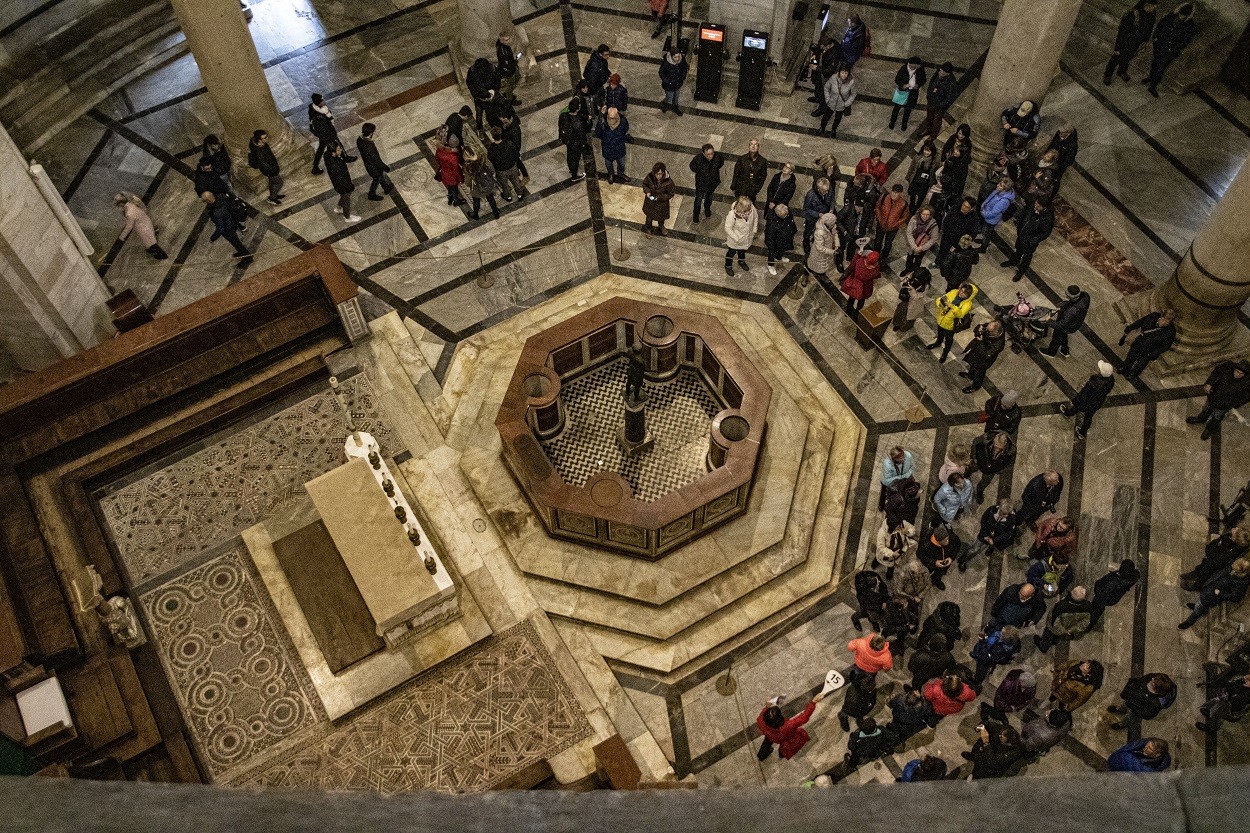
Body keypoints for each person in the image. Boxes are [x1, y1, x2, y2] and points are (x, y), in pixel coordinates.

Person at [1180, 558, 1250, 630]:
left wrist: (1220, 593)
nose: (1233, 562)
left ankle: (1189, 622)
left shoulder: (1239, 583)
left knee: (1198, 609)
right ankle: (1202, 609)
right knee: (1201, 603)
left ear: (1239, 569)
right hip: (1209, 588)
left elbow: (1236, 597)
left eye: (1236, 562)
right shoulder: (1231, 568)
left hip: (1212, 596)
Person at [1188, 361, 1250, 441]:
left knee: (1216, 417)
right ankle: (1201, 419)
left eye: (1241, 373)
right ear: (1235, 368)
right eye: (1237, 371)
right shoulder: (1227, 366)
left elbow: (1246, 397)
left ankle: (1209, 429)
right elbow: (1216, 372)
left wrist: (1232, 404)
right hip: (1214, 395)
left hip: (1225, 404)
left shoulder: (1248, 382)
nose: (1237, 375)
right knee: (1206, 408)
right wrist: (1209, 383)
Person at [756, 692, 827, 760]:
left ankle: (761, 755)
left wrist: (767, 706)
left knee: (766, 743)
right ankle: (781, 754)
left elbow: (764, 712)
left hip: (770, 735)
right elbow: (803, 717)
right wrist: (813, 702)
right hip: (783, 738)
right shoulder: (787, 726)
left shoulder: (760, 720)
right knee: (786, 747)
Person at [1146, 3, 1196, 97]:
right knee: (1155, 62)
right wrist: (1155, 37)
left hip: (1170, 51)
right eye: (1180, 14)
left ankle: (1152, 86)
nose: (1181, 17)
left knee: (1161, 68)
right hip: (1160, 45)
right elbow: (1160, 24)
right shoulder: (1171, 16)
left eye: (1183, 15)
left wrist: (1173, 49)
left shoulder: (1190, 26)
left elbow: (1185, 42)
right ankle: (1150, 77)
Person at [1105, 2, 1159, 84]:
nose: (1155, 9)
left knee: (1128, 58)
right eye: (1153, 7)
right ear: (1148, 5)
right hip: (1125, 42)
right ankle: (1108, 75)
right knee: (1116, 59)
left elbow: (1149, 30)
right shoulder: (1132, 15)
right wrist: (1117, 48)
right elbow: (1122, 32)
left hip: (1136, 43)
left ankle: (1121, 71)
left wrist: (1145, 41)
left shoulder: (1151, 15)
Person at [959, 499, 1020, 571]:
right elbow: (983, 520)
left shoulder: (1012, 519)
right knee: (974, 549)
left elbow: (1008, 534)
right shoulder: (992, 510)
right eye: (1004, 513)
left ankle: (990, 549)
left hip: (995, 539)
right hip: (984, 534)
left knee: (984, 547)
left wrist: (994, 540)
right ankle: (962, 560)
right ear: (1000, 508)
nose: (1006, 516)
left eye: (1008, 514)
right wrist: (985, 535)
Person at [1181, 527, 1249, 591]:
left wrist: (1209, 555)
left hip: (1211, 564)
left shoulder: (1229, 550)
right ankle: (1192, 575)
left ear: (1235, 538)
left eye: (1236, 530)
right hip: (1210, 559)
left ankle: (1194, 587)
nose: (1236, 528)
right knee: (1199, 568)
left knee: (1203, 576)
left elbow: (1217, 560)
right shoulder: (1229, 536)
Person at [1061, 360, 1116, 439]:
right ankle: (1082, 433)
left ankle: (1067, 413)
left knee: (1077, 407)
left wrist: (1075, 401)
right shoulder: (1111, 381)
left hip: (1086, 402)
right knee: (1088, 417)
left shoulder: (1094, 383)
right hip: (1097, 403)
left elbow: (1083, 394)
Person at [1003, 199, 1055, 282]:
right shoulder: (1032, 205)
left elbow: (1046, 233)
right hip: (1021, 235)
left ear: (1044, 208)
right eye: (1036, 203)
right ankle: (1013, 261)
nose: (1035, 205)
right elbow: (1023, 214)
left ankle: (1020, 272)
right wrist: (1019, 226)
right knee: (1018, 250)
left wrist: (1034, 240)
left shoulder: (1048, 218)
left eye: (1038, 205)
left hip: (1030, 241)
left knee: (1026, 257)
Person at [927, 282, 977, 363]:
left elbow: (960, 314)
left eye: (964, 293)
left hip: (951, 325)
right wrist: (939, 302)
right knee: (940, 333)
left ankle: (945, 352)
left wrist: (952, 306)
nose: (961, 293)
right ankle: (938, 343)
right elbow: (942, 299)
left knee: (948, 339)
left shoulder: (968, 304)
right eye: (961, 290)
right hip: (941, 319)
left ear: (968, 295)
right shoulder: (954, 292)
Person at [1119, 309, 1176, 378]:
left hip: (1150, 349)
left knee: (1141, 363)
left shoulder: (1171, 331)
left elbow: (1166, 346)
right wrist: (1128, 329)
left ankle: (1134, 373)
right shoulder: (1153, 316)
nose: (1164, 322)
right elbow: (1140, 322)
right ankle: (1125, 367)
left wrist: (1152, 354)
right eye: (1164, 319)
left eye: (1167, 321)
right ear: (1161, 316)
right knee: (1131, 354)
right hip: (1140, 340)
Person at [1108, 672, 1177, 729]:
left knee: (1130, 717)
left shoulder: (1155, 704)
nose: (1152, 678)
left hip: (1136, 710)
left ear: (1154, 687)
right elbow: (1136, 681)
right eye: (1154, 678)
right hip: (1132, 701)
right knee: (1125, 705)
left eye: (1153, 680)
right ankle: (1120, 709)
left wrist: (1134, 709)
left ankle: (1123, 723)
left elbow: (1147, 715)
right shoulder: (1150, 678)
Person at [1034, 586, 1092, 652]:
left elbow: (1053, 621)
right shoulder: (1088, 607)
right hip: (1068, 630)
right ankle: (1055, 641)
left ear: (1072, 593)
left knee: (1048, 637)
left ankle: (1043, 647)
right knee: (1058, 637)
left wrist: (1063, 631)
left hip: (1055, 629)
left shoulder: (1062, 606)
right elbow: (1085, 623)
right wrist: (1070, 630)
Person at [200, 191, 251, 264]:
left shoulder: (216, 213)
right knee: (236, 242)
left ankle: (248, 257)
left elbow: (220, 229)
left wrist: (213, 238)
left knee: (236, 243)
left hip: (228, 229)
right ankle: (242, 252)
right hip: (233, 221)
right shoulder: (221, 197)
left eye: (205, 201)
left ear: (208, 200)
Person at [1040, 284, 1090, 357]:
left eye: (1067, 295)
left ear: (1071, 296)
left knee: (1057, 337)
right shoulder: (1085, 295)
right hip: (1074, 322)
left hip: (1068, 325)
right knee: (1063, 335)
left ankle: (1051, 352)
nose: (1066, 295)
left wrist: (1047, 321)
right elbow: (1071, 303)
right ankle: (1064, 350)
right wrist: (1061, 308)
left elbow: (1060, 325)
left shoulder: (1071, 311)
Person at [113, 192, 167, 260]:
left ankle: (163, 255)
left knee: (151, 243)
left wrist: (122, 236)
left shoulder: (129, 214)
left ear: (121, 204)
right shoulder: (132, 204)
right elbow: (142, 206)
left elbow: (129, 226)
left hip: (143, 229)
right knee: (149, 240)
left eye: (118, 206)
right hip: (146, 222)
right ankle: (150, 249)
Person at [959, 320, 1005, 394]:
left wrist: (980, 342)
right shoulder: (989, 327)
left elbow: (986, 355)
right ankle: (970, 375)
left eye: (988, 331)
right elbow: (979, 327)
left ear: (995, 333)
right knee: (972, 365)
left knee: (979, 373)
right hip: (976, 352)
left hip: (984, 361)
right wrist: (978, 329)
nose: (986, 330)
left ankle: (976, 386)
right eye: (987, 328)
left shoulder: (999, 344)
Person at [1090, 559, 1140, 626]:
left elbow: (1099, 586)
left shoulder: (1113, 581)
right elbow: (1137, 574)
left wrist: (1097, 588)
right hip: (1114, 598)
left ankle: (1091, 622)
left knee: (1096, 609)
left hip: (1104, 599)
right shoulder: (1134, 576)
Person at [936, 197, 980, 271]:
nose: (964, 208)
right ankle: (938, 262)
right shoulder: (955, 208)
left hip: (957, 242)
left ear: (971, 208)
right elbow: (947, 219)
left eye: (967, 207)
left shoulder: (974, 218)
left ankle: (945, 267)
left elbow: (973, 233)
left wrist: (961, 243)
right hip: (947, 236)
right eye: (963, 205)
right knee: (942, 250)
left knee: (950, 255)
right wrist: (944, 230)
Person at [970, 431, 1015, 504]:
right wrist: (974, 457)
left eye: (1000, 449)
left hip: (991, 470)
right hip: (980, 461)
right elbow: (975, 443)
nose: (996, 450)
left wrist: (1000, 470)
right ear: (993, 440)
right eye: (995, 447)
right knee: (970, 469)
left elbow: (1010, 464)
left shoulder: (1011, 450)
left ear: (1005, 444)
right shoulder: (985, 439)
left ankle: (979, 491)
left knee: (984, 482)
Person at [354, 122, 394, 201]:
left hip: (368, 164)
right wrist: (385, 167)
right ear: (371, 133)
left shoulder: (359, 139)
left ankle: (386, 188)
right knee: (376, 179)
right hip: (373, 167)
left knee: (379, 176)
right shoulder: (369, 146)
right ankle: (371, 194)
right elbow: (376, 160)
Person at [920, 62, 957, 145]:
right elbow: (931, 84)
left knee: (937, 121)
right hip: (931, 101)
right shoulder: (938, 73)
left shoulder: (951, 83)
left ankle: (932, 136)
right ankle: (928, 130)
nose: (940, 72)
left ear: (948, 73)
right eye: (940, 70)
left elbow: (950, 99)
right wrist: (929, 95)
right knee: (929, 117)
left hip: (940, 106)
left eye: (942, 71)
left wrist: (940, 105)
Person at [486, 126, 526, 203]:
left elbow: (491, 159)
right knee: (516, 180)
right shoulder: (509, 143)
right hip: (512, 166)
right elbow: (516, 154)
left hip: (501, 170)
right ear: (501, 134)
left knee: (504, 184)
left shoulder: (491, 149)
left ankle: (508, 196)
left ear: (492, 136)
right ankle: (520, 194)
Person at [461, 146, 501, 221]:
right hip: (487, 186)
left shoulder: (468, 168)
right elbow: (491, 170)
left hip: (476, 189)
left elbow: (468, 182)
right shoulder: (483, 161)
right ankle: (496, 213)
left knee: (476, 201)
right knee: (491, 199)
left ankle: (475, 215)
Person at [873, 184, 911, 262]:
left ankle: (884, 258)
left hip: (893, 228)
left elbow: (905, 216)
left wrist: (895, 224)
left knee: (888, 244)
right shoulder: (884, 197)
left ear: (900, 194)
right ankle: (875, 256)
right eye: (893, 191)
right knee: (877, 241)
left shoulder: (903, 204)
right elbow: (877, 207)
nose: (894, 194)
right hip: (881, 224)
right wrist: (879, 218)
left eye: (896, 192)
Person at [323, 142, 359, 223]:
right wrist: (350, 187)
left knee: (343, 197)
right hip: (343, 186)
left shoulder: (327, 155)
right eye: (338, 150)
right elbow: (342, 179)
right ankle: (347, 217)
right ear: (333, 153)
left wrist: (339, 156)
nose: (341, 150)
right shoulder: (336, 165)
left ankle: (338, 208)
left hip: (338, 184)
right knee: (346, 200)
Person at [246, 130, 284, 206]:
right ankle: (272, 198)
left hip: (270, 168)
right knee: (279, 182)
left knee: (272, 182)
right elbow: (264, 163)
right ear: (259, 140)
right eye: (265, 138)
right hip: (270, 170)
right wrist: (274, 170)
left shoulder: (261, 144)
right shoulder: (259, 151)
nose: (267, 139)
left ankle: (273, 195)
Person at [723, 196, 759, 277]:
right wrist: (736, 238)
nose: (749, 211)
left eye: (749, 208)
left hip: (746, 238)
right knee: (731, 253)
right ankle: (728, 266)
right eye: (746, 209)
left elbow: (756, 217)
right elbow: (728, 228)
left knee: (742, 251)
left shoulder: (751, 208)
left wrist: (754, 229)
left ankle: (741, 262)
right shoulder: (732, 215)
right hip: (735, 240)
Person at [917, 523, 960, 590]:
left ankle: (937, 580)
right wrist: (934, 562)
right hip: (932, 565)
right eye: (945, 541)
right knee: (931, 574)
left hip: (945, 563)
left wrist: (951, 558)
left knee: (940, 573)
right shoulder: (926, 544)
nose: (948, 541)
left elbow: (957, 545)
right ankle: (930, 581)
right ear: (938, 541)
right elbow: (920, 554)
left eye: (947, 539)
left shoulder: (951, 536)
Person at [888, 57, 926, 131]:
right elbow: (897, 79)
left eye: (913, 66)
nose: (911, 67)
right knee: (896, 108)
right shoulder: (904, 68)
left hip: (912, 93)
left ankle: (904, 123)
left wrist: (917, 85)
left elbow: (924, 80)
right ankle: (892, 122)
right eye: (910, 65)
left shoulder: (920, 70)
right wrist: (903, 85)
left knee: (908, 109)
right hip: (902, 92)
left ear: (917, 65)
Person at [689, 144, 725, 223]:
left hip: (712, 184)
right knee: (698, 200)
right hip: (701, 184)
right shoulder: (698, 159)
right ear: (703, 153)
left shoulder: (718, 157)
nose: (711, 156)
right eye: (708, 154)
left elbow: (721, 163)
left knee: (709, 198)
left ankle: (707, 209)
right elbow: (692, 167)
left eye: (712, 153)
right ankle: (696, 214)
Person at [978, 177, 1015, 253]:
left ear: (1005, 189)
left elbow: (994, 212)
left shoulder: (1004, 201)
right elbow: (990, 196)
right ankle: (984, 240)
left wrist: (983, 213)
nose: (997, 185)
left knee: (986, 232)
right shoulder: (999, 191)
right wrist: (983, 204)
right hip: (986, 212)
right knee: (986, 231)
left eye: (1000, 185)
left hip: (991, 219)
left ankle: (984, 246)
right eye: (999, 183)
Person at [595, 107, 630, 184]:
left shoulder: (623, 121)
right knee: (608, 164)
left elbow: (626, 129)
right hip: (608, 148)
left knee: (621, 164)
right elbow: (598, 133)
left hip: (619, 148)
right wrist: (600, 119)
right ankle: (611, 174)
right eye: (610, 118)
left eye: (613, 118)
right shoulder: (603, 123)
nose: (611, 120)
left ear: (617, 115)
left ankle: (620, 174)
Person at [802, 177, 835, 256]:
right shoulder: (811, 195)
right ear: (819, 188)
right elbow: (805, 210)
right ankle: (806, 243)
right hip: (812, 218)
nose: (826, 192)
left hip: (824, 217)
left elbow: (832, 200)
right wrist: (818, 214)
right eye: (824, 191)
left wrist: (831, 209)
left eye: (827, 190)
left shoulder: (829, 189)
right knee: (808, 232)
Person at [840, 249, 880, 315]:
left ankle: (848, 311)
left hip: (855, 285)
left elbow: (852, 264)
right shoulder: (875, 270)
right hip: (865, 288)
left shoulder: (860, 262)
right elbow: (876, 276)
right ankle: (857, 313)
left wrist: (858, 254)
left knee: (851, 298)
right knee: (861, 300)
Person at [558, 97, 590, 182]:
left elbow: (560, 127)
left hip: (567, 141)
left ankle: (570, 169)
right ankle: (574, 176)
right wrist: (583, 144)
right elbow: (582, 136)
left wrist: (561, 137)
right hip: (576, 144)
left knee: (569, 154)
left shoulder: (563, 116)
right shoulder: (579, 123)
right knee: (576, 159)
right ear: (577, 109)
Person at [641, 162, 675, 236]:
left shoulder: (668, 181)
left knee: (661, 217)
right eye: (656, 174)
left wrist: (659, 198)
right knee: (649, 217)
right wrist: (648, 192)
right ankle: (648, 228)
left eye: (660, 174)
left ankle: (661, 226)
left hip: (662, 203)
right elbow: (645, 184)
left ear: (663, 172)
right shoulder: (650, 177)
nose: (658, 176)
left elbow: (670, 193)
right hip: (650, 202)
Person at [820, 67, 856, 138]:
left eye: (846, 73)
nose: (844, 75)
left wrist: (846, 103)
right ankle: (822, 128)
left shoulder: (851, 82)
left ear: (848, 74)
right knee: (826, 117)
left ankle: (833, 130)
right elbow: (826, 88)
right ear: (839, 72)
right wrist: (827, 99)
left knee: (837, 119)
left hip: (841, 105)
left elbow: (853, 94)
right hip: (831, 103)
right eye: (842, 72)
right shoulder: (834, 78)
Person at [892, 266, 930, 333]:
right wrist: (906, 280)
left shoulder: (925, 286)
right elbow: (901, 284)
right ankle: (897, 324)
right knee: (899, 313)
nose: (915, 279)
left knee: (909, 318)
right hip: (904, 299)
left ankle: (904, 328)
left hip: (913, 304)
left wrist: (911, 289)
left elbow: (916, 297)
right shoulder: (911, 275)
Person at [852, 568, 890, 633]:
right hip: (866, 603)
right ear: (872, 588)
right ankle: (855, 619)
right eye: (878, 583)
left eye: (878, 580)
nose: (879, 582)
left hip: (876, 600)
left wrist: (885, 600)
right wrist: (878, 608)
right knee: (864, 613)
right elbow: (871, 604)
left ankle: (873, 621)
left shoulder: (874, 577)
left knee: (875, 614)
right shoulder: (864, 592)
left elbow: (883, 587)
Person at [731, 139, 768, 203]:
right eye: (751, 144)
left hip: (752, 191)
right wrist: (733, 187)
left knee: (749, 210)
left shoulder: (762, 161)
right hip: (741, 189)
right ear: (749, 146)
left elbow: (763, 176)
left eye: (755, 144)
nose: (753, 146)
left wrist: (757, 189)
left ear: (758, 147)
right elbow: (736, 173)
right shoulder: (742, 159)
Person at [1045, 122, 1080, 192]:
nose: (1060, 132)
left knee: (1054, 180)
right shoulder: (1059, 133)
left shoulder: (1072, 145)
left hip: (1058, 166)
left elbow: (1069, 161)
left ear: (1068, 133)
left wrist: (1058, 166)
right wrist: (1046, 153)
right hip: (1050, 159)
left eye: (1063, 131)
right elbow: (1052, 143)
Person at [466, 58, 499, 127]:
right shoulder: (472, 71)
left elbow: (497, 81)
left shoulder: (492, 69)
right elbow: (469, 84)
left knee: (490, 113)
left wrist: (494, 92)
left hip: (491, 96)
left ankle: (493, 126)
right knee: (479, 114)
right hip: (479, 98)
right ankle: (480, 128)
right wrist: (475, 95)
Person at [764, 204, 796, 277]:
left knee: (782, 249)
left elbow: (791, 222)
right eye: (784, 215)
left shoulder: (786, 212)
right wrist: (771, 247)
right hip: (775, 241)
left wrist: (793, 230)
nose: (786, 215)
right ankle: (770, 265)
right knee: (772, 253)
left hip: (784, 239)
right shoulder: (772, 222)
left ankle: (779, 257)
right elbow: (769, 237)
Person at [434, 135, 465, 206]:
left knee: (449, 186)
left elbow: (437, 159)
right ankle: (456, 201)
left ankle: (450, 198)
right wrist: (461, 179)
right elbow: (456, 171)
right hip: (452, 176)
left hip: (444, 173)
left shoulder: (439, 150)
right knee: (455, 188)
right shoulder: (453, 157)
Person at [806, 212, 840, 278]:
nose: (834, 225)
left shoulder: (832, 226)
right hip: (819, 253)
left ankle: (821, 275)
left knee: (823, 267)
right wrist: (832, 252)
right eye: (833, 224)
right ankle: (806, 274)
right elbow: (820, 248)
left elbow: (835, 234)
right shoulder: (819, 232)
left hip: (828, 250)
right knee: (813, 265)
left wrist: (837, 245)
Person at [906, 144, 938, 213]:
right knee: (912, 193)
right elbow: (911, 167)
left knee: (921, 196)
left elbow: (934, 173)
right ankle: (912, 204)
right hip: (915, 178)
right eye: (925, 150)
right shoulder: (917, 157)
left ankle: (917, 207)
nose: (926, 152)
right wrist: (908, 176)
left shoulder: (934, 161)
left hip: (925, 182)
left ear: (932, 152)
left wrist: (932, 183)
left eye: (929, 151)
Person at [658, 46, 688, 115]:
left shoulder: (682, 59)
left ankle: (675, 107)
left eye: (678, 56)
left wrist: (683, 77)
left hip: (678, 83)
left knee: (676, 97)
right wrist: (668, 82)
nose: (677, 59)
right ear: (671, 56)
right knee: (669, 98)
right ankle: (665, 104)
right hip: (669, 86)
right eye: (675, 57)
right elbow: (661, 73)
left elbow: (685, 68)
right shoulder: (666, 63)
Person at [495, 32, 520, 104]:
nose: (509, 41)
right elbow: (507, 65)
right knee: (511, 85)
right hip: (508, 71)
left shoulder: (503, 44)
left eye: (509, 39)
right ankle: (510, 100)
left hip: (511, 67)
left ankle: (508, 93)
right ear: (502, 40)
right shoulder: (502, 51)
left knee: (517, 77)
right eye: (506, 40)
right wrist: (515, 61)